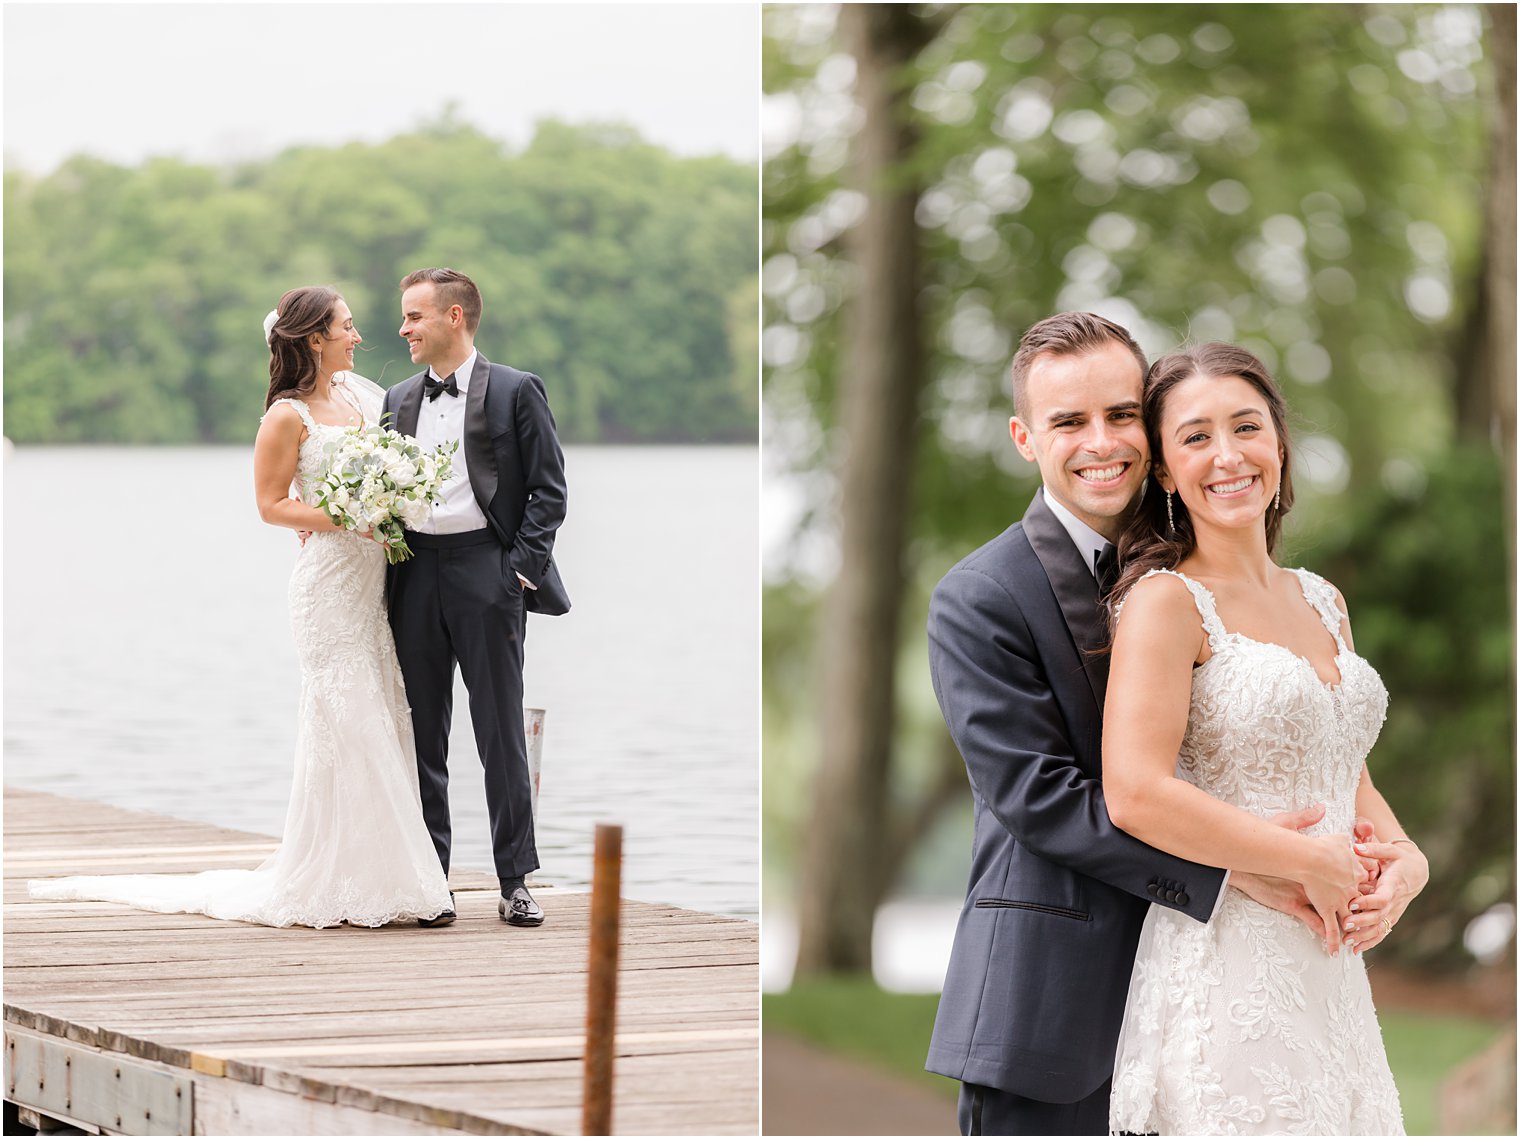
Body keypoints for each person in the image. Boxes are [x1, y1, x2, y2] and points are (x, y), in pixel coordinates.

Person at [926, 313, 1335, 1136]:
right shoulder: (979, 598)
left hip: (1214, 1003)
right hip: (1052, 1009)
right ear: (1024, 437)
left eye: (1120, 415)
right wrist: (1229, 870)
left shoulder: (1210, 574)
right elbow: (1040, 798)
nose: (1101, 441)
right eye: (1069, 422)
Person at [30, 287, 453, 928]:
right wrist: (346, 515)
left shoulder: (361, 400)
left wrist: (390, 504)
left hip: (371, 588)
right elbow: (271, 504)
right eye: (347, 326)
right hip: (327, 591)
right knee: (350, 720)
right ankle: (375, 883)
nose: (359, 336)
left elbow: (390, 470)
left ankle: (382, 874)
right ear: (315, 338)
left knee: (383, 714)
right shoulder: (287, 416)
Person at [1103, 343, 1425, 1134]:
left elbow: (1346, 772)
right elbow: (1135, 791)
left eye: (1246, 426)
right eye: (1195, 437)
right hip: (1229, 962)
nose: (1228, 455)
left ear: (1278, 443)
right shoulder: (1165, 602)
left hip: (1332, 971)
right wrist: (1306, 858)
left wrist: (1408, 858)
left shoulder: (1323, 598)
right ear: (1168, 474)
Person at [382, 267, 569, 929]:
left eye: (413, 316)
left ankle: (514, 880)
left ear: (454, 317)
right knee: (422, 735)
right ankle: (432, 880)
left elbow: (549, 491)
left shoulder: (517, 391)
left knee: (500, 734)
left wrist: (517, 570)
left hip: (487, 575)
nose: (403, 328)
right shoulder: (398, 399)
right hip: (415, 575)